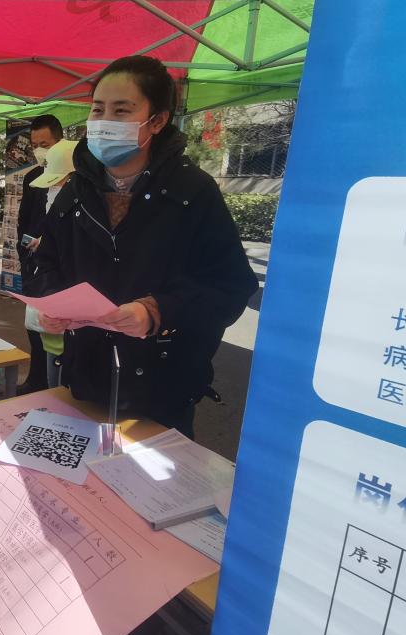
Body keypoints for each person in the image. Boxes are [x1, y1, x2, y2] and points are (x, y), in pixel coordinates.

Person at [28, 56, 258, 438]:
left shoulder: (193, 192)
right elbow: (45, 262)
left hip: (162, 389)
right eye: (98, 109)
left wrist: (157, 311)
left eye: (122, 110)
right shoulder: (76, 190)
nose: (104, 121)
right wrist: (53, 303)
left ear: (157, 120)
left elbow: (231, 286)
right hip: (85, 378)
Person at [16, 114, 63, 394]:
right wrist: (24, 254)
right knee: (34, 326)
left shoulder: (77, 180)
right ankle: (36, 380)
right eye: (35, 145)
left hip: (60, 270)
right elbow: (24, 220)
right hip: (34, 265)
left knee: (56, 331)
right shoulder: (33, 177)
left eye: (44, 144)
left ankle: (55, 386)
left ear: (60, 141)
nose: (39, 151)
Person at [26, 139, 77, 388]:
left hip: (76, 325)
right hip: (52, 320)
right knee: (52, 376)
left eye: (58, 181)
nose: (52, 189)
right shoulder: (53, 202)